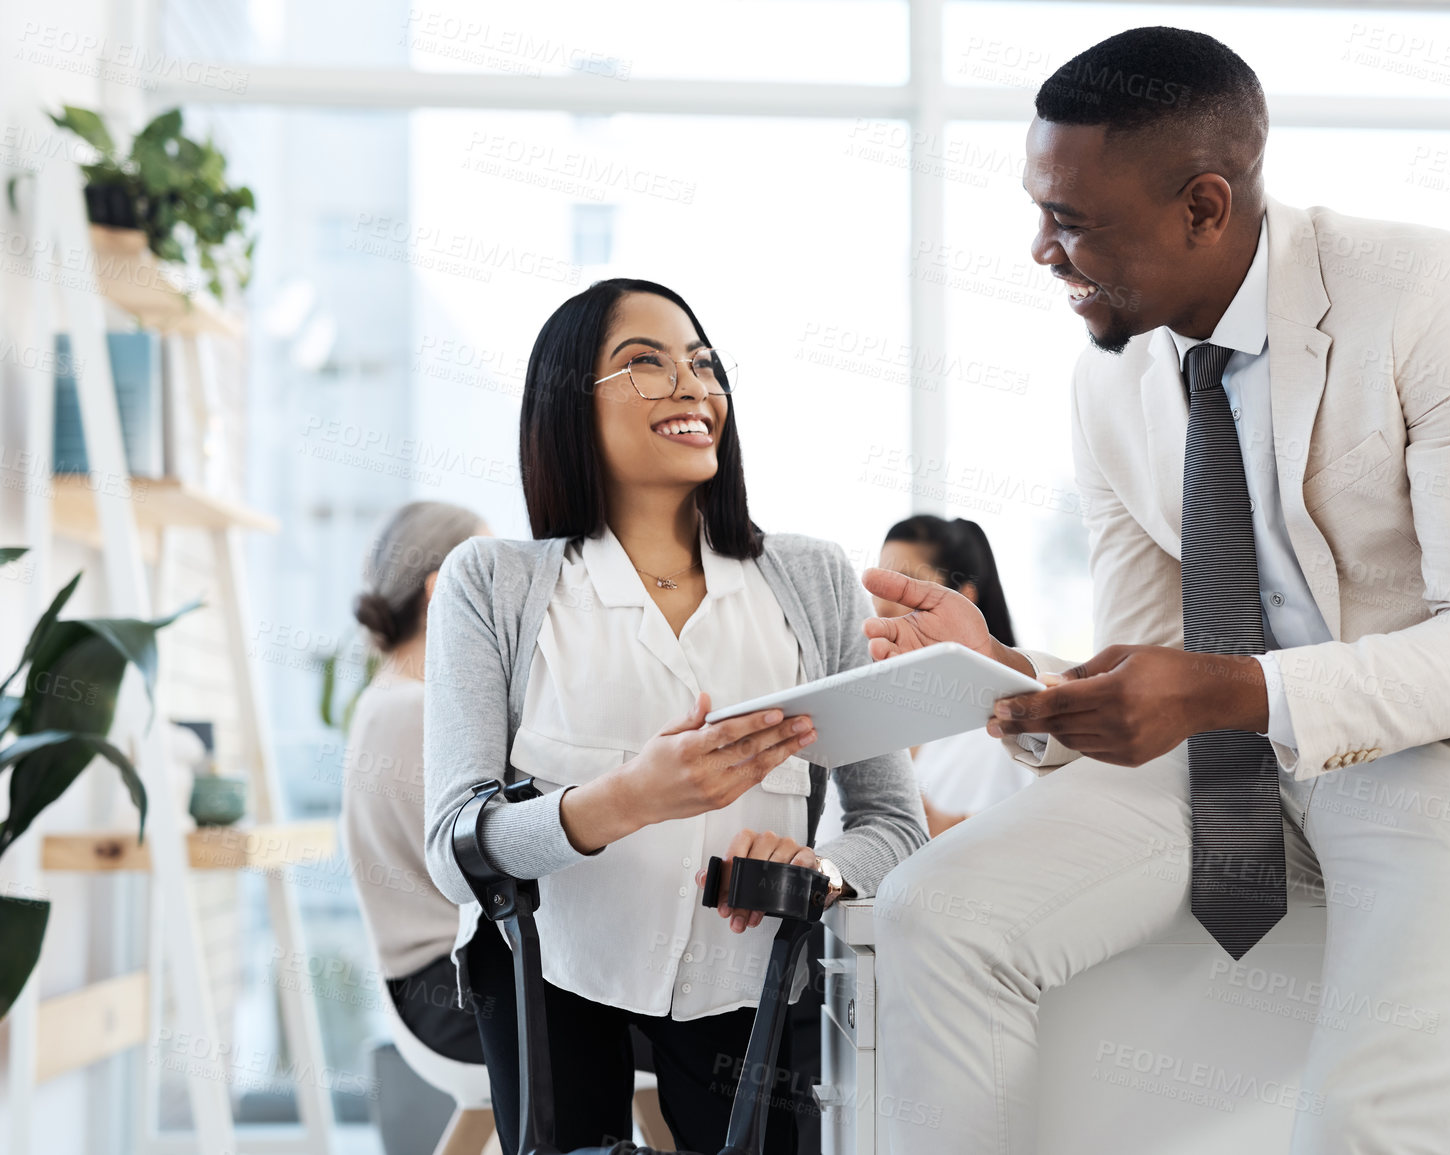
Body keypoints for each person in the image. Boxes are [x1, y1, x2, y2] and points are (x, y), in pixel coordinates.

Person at [860, 27, 1450, 1155]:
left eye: (1072, 221)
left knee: (1371, 1122)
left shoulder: (1430, 294)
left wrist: (1227, 692)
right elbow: (1158, 659)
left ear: (1204, 208)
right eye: (1039, 210)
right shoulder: (1110, 378)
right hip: (1251, 757)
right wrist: (1013, 675)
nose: (1041, 249)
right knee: (936, 912)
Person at [419, 278, 927, 1155]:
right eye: (644, 365)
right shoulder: (492, 581)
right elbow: (453, 850)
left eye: (701, 364)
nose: (692, 386)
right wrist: (630, 798)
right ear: (567, 403)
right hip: (548, 971)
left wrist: (819, 868)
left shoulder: (810, 579)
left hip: (753, 974)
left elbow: (894, 824)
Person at [339, 500, 490, 1063]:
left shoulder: (388, 699)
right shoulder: (419, 711)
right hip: (459, 995)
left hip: (440, 990)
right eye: (487, 575)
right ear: (439, 591)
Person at [871, 516, 1032, 835]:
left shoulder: (1002, 726)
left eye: (904, 585)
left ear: (963, 599)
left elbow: (1018, 844)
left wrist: (936, 825)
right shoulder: (872, 715)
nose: (882, 606)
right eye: (881, 584)